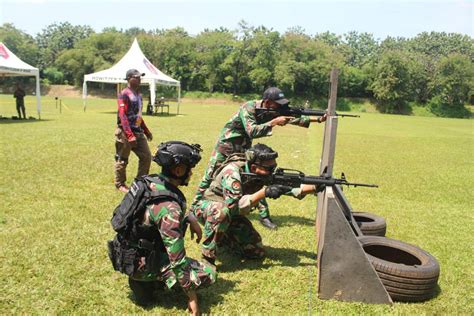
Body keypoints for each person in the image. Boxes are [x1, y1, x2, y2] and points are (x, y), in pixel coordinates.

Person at [191, 87, 326, 230]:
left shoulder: (271, 110)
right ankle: (194, 209)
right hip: (227, 146)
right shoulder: (248, 108)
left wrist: (317, 119)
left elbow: (291, 118)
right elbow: (252, 131)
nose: (280, 106)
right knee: (210, 175)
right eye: (277, 103)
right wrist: (274, 122)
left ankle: (264, 216)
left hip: (244, 148)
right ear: (267, 102)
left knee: (256, 178)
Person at [192, 143, 323, 266]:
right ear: (254, 167)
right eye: (270, 168)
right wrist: (263, 193)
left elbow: (287, 188)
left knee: (255, 251)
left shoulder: (260, 174)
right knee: (221, 212)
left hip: (231, 214)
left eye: (274, 167)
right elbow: (234, 206)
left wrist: (314, 187)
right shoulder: (232, 172)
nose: (273, 171)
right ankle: (207, 257)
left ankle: (224, 240)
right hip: (209, 208)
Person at [126, 141, 216, 314]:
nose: (191, 173)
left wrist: (191, 218)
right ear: (178, 170)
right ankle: (149, 278)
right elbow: (177, 258)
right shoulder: (170, 208)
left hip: (131, 255)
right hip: (145, 262)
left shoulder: (150, 182)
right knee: (208, 273)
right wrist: (192, 297)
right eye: (189, 169)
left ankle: (145, 282)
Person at [115, 69, 153, 193]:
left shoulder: (139, 95)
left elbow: (138, 116)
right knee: (122, 159)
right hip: (126, 133)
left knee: (146, 156)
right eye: (136, 77)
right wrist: (129, 135)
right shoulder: (124, 94)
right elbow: (123, 115)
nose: (139, 79)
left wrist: (146, 131)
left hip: (138, 131)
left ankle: (140, 182)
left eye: (140, 77)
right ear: (129, 78)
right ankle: (120, 183)